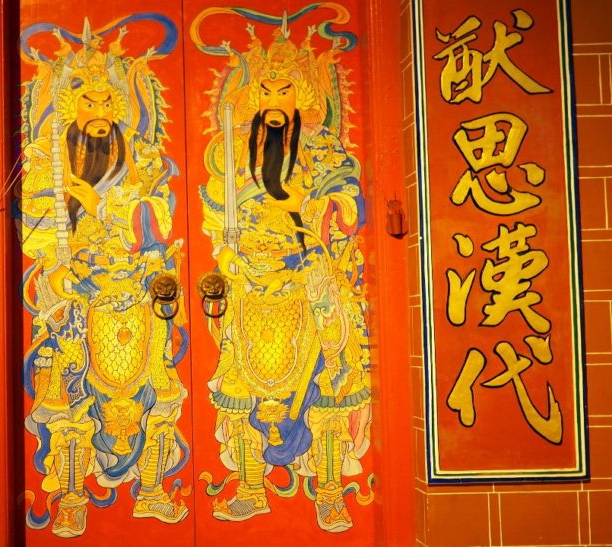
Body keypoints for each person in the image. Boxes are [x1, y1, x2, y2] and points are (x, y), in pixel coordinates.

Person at [195, 15, 372, 532]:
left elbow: (349, 206)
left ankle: (330, 491)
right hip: (251, 276)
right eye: (267, 89)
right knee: (238, 382)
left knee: (334, 370)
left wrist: (306, 207)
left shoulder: (322, 149)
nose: (275, 99)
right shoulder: (233, 153)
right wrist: (228, 254)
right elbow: (216, 212)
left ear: (305, 95)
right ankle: (251, 487)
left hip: (304, 270)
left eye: (286, 89)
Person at [19, 18, 189, 538]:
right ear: (70, 106)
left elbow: (158, 218)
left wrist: (105, 208)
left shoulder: (140, 157)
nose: (98, 112)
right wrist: (59, 263)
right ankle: (72, 499)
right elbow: (35, 230)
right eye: (87, 102)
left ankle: (152, 491)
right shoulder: (48, 160)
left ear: (121, 107)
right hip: (79, 293)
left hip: (135, 288)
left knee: (158, 390)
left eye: (107, 102)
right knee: (71, 392)